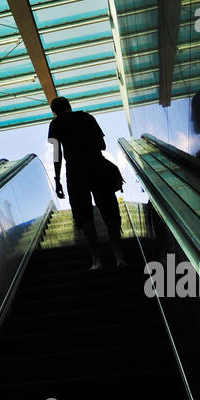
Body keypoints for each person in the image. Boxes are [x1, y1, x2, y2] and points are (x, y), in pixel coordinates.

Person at [47, 96, 128, 271]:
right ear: (69, 106)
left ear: (54, 111)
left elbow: (56, 154)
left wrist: (57, 179)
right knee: (110, 210)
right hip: (97, 166)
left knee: (84, 215)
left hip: (75, 172)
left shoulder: (55, 124)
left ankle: (97, 260)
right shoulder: (87, 117)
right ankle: (119, 257)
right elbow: (102, 145)